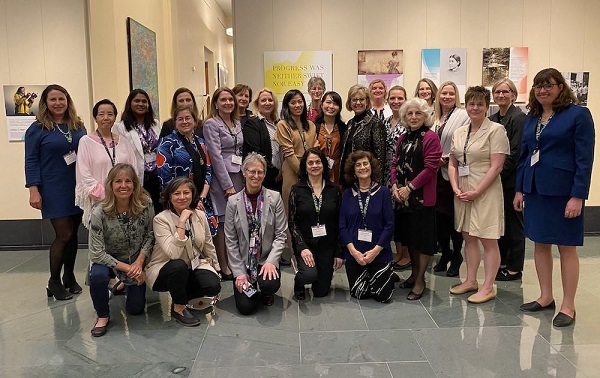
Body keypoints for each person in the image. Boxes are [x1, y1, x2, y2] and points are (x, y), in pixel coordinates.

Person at [515, 68, 595, 327]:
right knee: (539, 244)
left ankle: (568, 305)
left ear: (561, 87)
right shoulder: (533, 117)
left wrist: (577, 196)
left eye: (548, 85)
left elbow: (585, 159)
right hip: (535, 190)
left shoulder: (578, 115)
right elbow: (525, 156)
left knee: (566, 247)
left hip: (563, 193)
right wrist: (520, 189)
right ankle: (545, 296)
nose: (542, 90)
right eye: (538, 86)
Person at [448, 86, 509, 304]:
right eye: (471, 104)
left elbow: (497, 166)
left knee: (488, 239)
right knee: (468, 236)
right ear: (466, 105)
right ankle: (470, 280)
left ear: (486, 106)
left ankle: (488, 286)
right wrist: (455, 187)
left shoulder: (496, 130)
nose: (475, 108)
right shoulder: (460, 132)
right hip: (463, 191)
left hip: (485, 190)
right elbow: (453, 161)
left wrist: (477, 191)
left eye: (480, 104)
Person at [25, 84, 87, 300]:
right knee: (63, 234)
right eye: (53, 99)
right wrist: (33, 190)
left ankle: (69, 277)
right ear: (45, 103)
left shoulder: (78, 126)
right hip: (52, 188)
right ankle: (53, 281)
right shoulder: (37, 129)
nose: (58, 103)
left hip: (76, 188)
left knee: (73, 236)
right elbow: (31, 160)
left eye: (62, 99)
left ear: (68, 100)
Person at [87, 163, 154, 337]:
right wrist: (128, 269)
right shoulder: (98, 211)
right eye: (118, 181)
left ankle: (122, 283)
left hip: (134, 259)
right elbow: (96, 253)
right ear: (110, 185)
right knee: (98, 276)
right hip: (107, 260)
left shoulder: (145, 205)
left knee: (136, 310)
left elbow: (150, 235)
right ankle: (102, 315)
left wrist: (139, 263)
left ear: (135, 184)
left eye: (128, 181)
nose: (123, 186)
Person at [146, 177, 222, 326]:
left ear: (192, 195)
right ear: (169, 196)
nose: (182, 197)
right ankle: (179, 308)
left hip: (191, 265)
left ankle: (180, 294)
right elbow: (173, 254)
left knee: (212, 284)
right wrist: (181, 223)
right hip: (164, 268)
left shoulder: (200, 215)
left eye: (186, 193)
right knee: (178, 266)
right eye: (176, 193)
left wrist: (216, 268)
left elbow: (208, 244)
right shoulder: (161, 219)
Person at [391, 98, 442, 300]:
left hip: (422, 199)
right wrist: (395, 186)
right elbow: (394, 163)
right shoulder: (403, 138)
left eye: (418, 113)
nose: (413, 117)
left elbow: (431, 167)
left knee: (423, 242)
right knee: (410, 239)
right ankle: (413, 275)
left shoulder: (430, 137)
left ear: (425, 115)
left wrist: (410, 188)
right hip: (403, 199)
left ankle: (420, 280)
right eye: (409, 114)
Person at [225, 153, 287, 315]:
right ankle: (249, 286)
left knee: (269, 284)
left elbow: (281, 234)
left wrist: (272, 261)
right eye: (252, 171)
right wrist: (238, 273)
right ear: (244, 172)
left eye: (260, 172)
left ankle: (266, 290)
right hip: (243, 262)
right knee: (246, 308)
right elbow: (231, 241)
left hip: (265, 258)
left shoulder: (274, 198)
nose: (256, 176)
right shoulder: (233, 202)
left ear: (264, 174)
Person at [339, 150, 395, 303]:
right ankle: (376, 276)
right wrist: (353, 252)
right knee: (360, 293)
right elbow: (342, 226)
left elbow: (389, 226)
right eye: (358, 165)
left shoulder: (383, 193)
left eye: (365, 163)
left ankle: (384, 274)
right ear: (354, 170)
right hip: (355, 253)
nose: (362, 167)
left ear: (371, 167)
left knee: (383, 296)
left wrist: (375, 252)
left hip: (378, 251)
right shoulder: (348, 194)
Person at [289, 148, 343, 300]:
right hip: (306, 243)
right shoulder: (296, 190)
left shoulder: (334, 190)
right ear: (305, 167)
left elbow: (340, 222)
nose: (314, 166)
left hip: (327, 245)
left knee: (321, 292)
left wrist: (339, 252)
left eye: (318, 162)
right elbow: (292, 223)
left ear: (324, 164)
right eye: (310, 163)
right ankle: (299, 282)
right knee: (308, 275)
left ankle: (320, 274)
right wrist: (302, 248)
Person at [156, 105, 218, 237]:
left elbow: (208, 170)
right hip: (179, 202)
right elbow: (165, 178)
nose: (184, 122)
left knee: (204, 240)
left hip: (201, 201)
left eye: (188, 118)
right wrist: (185, 200)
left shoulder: (201, 142)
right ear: (175, 123)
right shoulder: (167, 143)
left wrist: (200, 198)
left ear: (195, 121)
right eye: (180, 119)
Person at [203, 87, 244, 280]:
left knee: (235, 221)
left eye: (230, 99)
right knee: (221, 222)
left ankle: (235, 260)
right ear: (216, 103)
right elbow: (215, 156)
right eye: (223, 100)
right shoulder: (211, 124)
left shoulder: (236, 122)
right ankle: (224, 265)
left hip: (239, 175)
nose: (228, 103)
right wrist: (227, 184)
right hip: (222, 180)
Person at [76, 99, 137, 228]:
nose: (106, 118)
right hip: (100, 201)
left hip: (125, 200)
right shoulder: (86, 141)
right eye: (101, 114)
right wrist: (108, 195)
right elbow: (84, 175)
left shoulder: (124, 142)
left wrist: (123, 195)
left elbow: (134, 171)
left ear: (115, 117)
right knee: (101, 241)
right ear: (95, 118)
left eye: (110, 114)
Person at [489, 79, 526, 281]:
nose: (501, 95)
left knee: (514, 224)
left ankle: (514, 267)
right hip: (496, 180)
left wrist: (494, 174)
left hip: (511, 181)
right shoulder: (494, 118)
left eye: (505, 91)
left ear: (513, 94)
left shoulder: (518, 118)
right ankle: (501, 262)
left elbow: (514, 153)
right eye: (497, 92)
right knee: (499, 224)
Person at [432, 81, 470, 277]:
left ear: (456, 96)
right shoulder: (434, 115)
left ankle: (456, 256)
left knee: (453, 218)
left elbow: (464, 141)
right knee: (439, 219)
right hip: (434, 175)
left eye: (451, 94)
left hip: (450, 173)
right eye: (443, 93)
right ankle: (445, 254)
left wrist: (447, 159)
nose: (447, 97)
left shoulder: (462, 116)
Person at [113, 89, 162, 213]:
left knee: (157, 209)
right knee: (141, 210)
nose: (141, 104)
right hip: (138, 174)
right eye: (137, 101)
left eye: (144, 102)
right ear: (130, 104)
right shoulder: (121, 127)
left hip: (156, 174)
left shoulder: (155, 124)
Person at [274, 89, 319, 215]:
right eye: (293, 102)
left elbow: (315, 146)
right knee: (292, 209)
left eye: (300, 102)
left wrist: (311, 170)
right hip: (292, 171)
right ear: (287, 105)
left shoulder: (311, 125)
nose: (297, 105)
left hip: (312, 169)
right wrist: (302, 172)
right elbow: (288, 152)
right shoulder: (283, 125)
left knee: (310, 209)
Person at [340, 85, 386, 188]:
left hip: (367, 180)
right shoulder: (350, 124)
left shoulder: (375, 123)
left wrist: (375, 184)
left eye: (361, 99)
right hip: (350, 179)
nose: (358, 103)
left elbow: (379, 158)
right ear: (349, 103)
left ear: (367, 102)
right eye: (354, 100)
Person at [243, 87, 283, 192]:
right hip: (264, 176)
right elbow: (256, 151)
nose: (267, 103)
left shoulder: (279, 123)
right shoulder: (252, 123)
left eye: (270, 100)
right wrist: (274, 172)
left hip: (281, 177)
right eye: (263, 100)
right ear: (257, 103)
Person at [314, 91, 347, 184]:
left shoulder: (344, 128)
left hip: (338, 173)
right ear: (321, 104)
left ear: (339, 108)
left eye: (335, 104)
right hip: (318, 170)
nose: (331, 106)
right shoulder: (313, 127)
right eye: (328, 102)